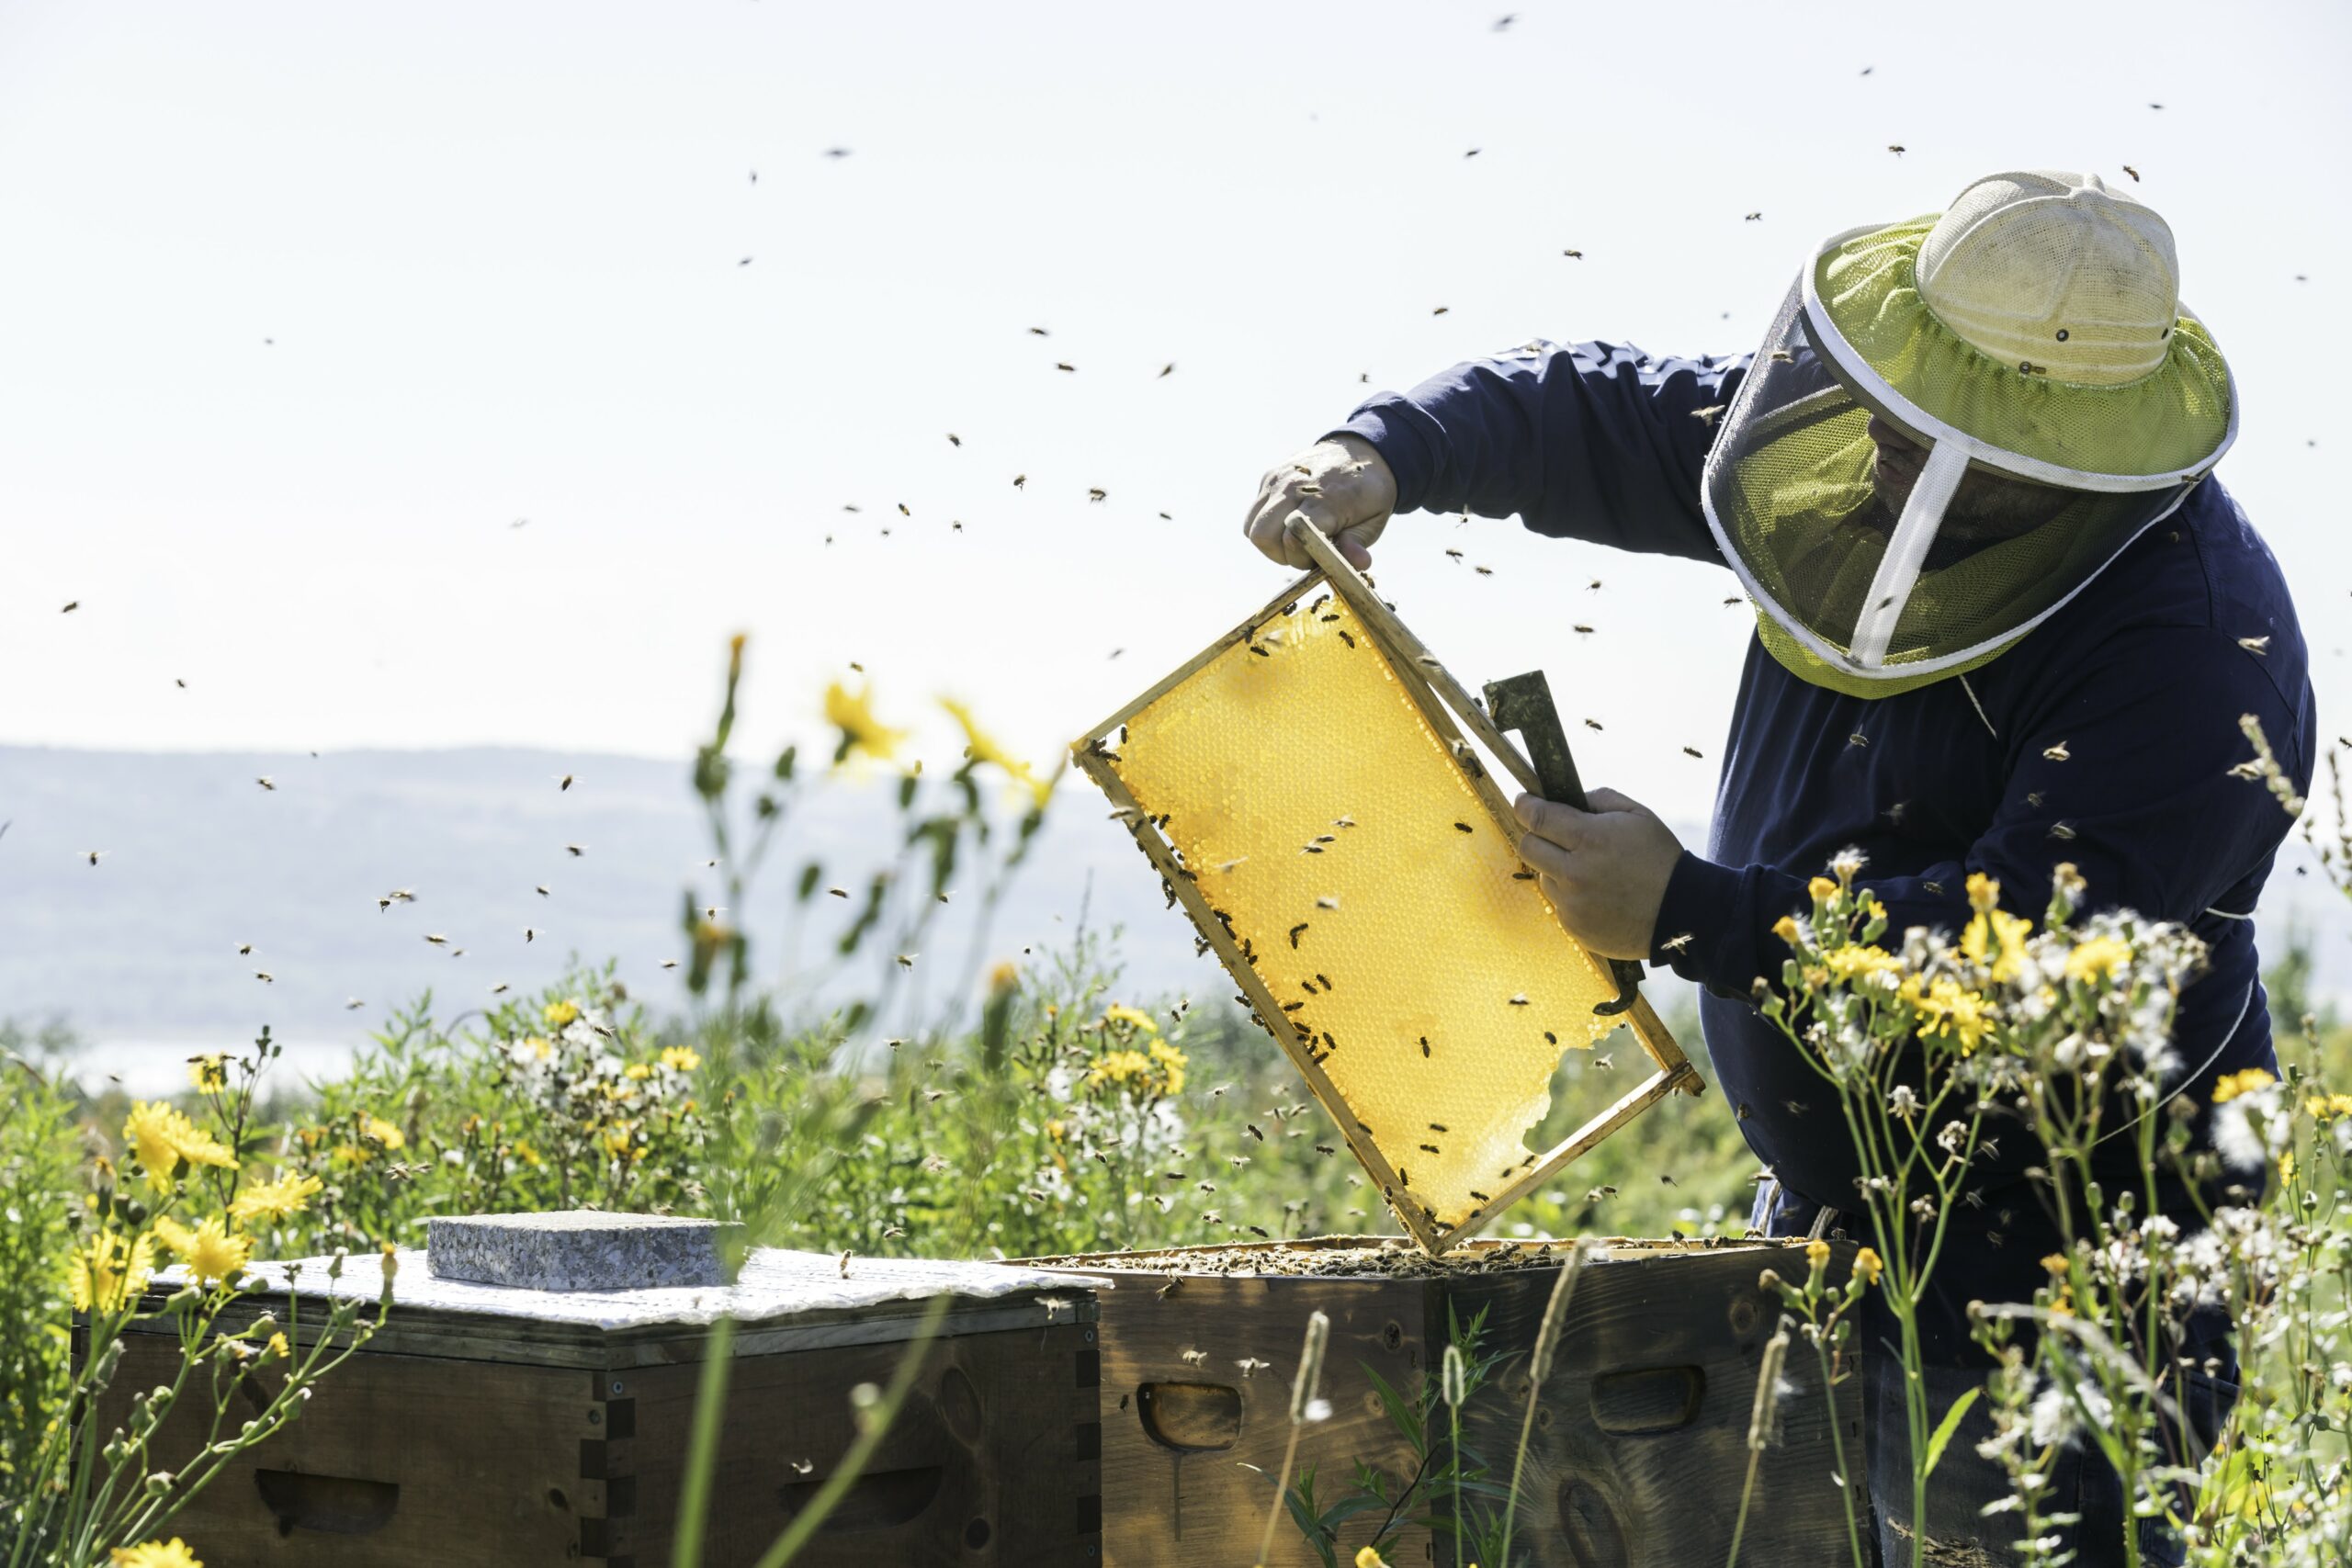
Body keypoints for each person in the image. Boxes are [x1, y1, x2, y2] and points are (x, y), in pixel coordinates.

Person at [1241, 170, 2315, 1564]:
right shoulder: (1871, 444)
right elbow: (1608, 411)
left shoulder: (2197, 651)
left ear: (2076, 457)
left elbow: (2039, 954)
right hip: (1826, 1223)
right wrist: (1385, 449)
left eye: (1956, 447)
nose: (1891, 458)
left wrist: (1694, 913)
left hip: (2075, 1257)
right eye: (1898, 412)